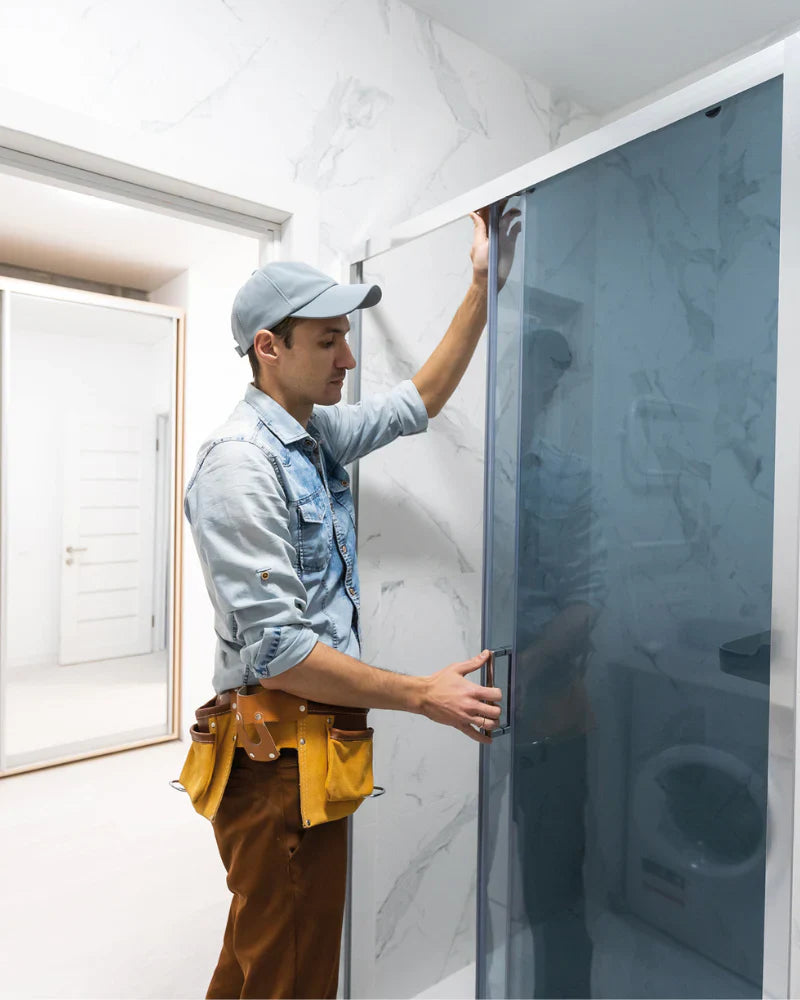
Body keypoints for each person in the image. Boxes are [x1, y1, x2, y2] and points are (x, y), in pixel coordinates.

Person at [183, 206, 521, 999]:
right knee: (293, 977)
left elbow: (419, 402)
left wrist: (480, 285)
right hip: (276, 762)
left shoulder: (314, 435)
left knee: (257, 962)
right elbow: (282, 652)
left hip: (313, 747)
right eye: (328, 339)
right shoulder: (241, 465)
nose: (348, 355)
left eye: (347, 335)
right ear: (270, 349)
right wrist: (423, 694)